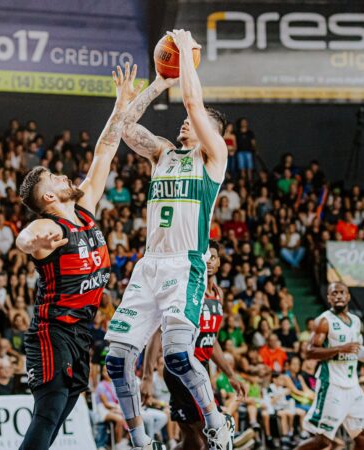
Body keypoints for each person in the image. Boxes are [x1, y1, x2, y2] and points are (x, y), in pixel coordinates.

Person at [105, 29, 232, 450]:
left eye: (196, 122)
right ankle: (140, 441)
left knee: (178, 356)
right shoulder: (162, 153)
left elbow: (194, 104)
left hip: (184, 263)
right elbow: (125, 127)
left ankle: (217, 423)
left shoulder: (212, 159)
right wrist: (160, 82)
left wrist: (186, 56)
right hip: (149, 265)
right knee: (116, 359)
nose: (185, 121)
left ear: (213, 132)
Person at [15, 63, 137, 450]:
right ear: (48, 197)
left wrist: (120, 105)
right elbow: (25, 237)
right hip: (53, 331)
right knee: (49, 410)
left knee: (61, 410)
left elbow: (105, 150)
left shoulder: (85, 208)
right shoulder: (49, 230)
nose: (64, 176)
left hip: (81, 332)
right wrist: (33, 238)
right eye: (53, 177)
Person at [142, 241, 247, 450]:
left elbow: (212, 339)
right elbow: (158, 332)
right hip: (182, 370)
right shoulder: (185, 291)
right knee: (212, 436)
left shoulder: (218, 294)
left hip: (203, 370)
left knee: (192, 442)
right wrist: (147, 377)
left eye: (213, 257)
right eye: (204, 256)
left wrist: (230, 374)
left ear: (219, 263)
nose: (208, 261)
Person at [295, 282, 364, 450]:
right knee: (323, 441)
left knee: (363, 435)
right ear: (328, 298)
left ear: (348, 296)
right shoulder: (324, 321)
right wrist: (340, 349)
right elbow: (310, 352)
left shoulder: (356, 321)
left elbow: (355, 349)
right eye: (334, 293)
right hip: (332, 384)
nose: (338, 296)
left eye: (341, 293)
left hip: (352, 385)